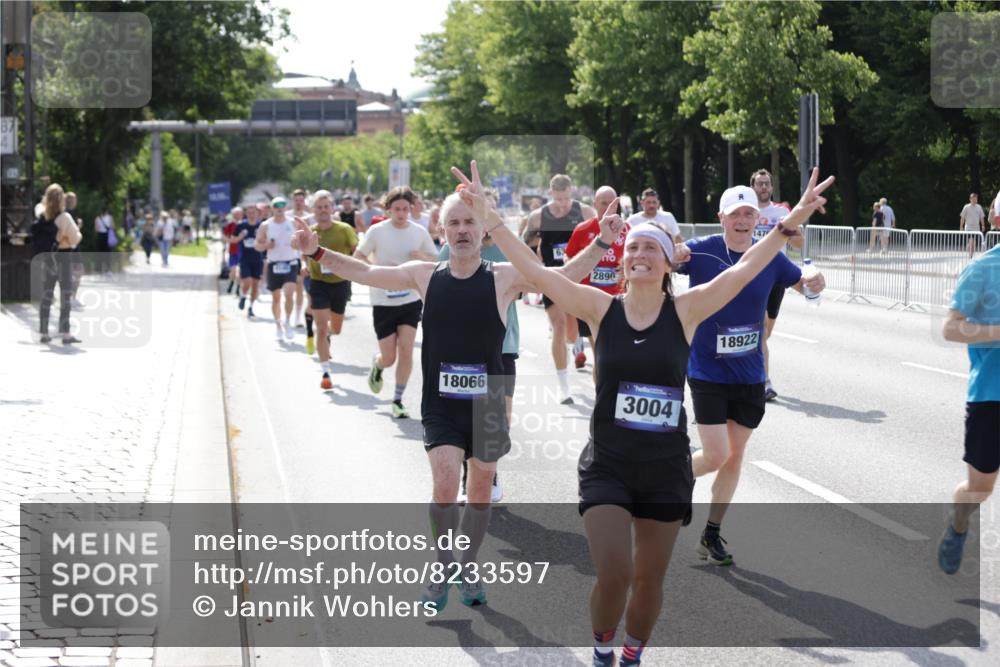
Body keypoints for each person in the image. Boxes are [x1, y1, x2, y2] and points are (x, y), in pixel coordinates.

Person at [482, 162, 834, 667]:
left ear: (669, 262)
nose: (640, 253)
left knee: (649, 580)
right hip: (609, 463)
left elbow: (743, 270)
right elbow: (537, 275)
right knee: (614, 574)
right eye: (633, 249)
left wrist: (790, 218)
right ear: (623, 265)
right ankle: (603, 648)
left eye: (652, 247)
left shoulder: (687, 310)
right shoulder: (600, 309)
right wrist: (493, 222)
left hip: (666, 468)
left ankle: (631, 655)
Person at [290, 160, 625, 613]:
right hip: (441, 403)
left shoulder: (503, 276)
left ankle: (468, 566)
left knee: (481, 489)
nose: (463, 230)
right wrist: (317, 253)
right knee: (446, 483)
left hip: (488, 402)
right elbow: (366, 274)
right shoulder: (425, 275)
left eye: (470, 221)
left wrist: (603, 240)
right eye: (453, 223)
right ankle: (442, 565)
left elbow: (560, 277)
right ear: (441, 230)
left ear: (482, 229)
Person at [677, 183, 827, 567]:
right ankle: (677, 477)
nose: (743, 221)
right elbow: (666, 259)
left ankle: (711, 533)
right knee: (714, 454)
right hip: (707, 369)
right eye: (736, 214)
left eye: (749, 214)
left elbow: (802, 283)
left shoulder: (770, 257)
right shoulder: (702, 249)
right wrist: (670, 251)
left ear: (757, 219)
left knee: (733, 456)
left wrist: (814, 280)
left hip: (749, 374)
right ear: (722, 218)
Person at [937, 241, 1000, 574]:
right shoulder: (982, 269)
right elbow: (950, 327)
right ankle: (958, 524)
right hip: (992, 394)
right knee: (980, 489)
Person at [354, 186, 438, 419]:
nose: (401, 213)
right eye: (397, 209)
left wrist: (419, 257)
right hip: (382, 299)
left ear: (411, 209)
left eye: (405, 209)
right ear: (388, 209)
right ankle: (379, 365)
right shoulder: (377, 231)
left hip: (410, 298)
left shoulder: (419, 231)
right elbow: (358, 257)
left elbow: (434, 258)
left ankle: (398, 399)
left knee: (407, 349)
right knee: (389, 357)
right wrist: (378, 269)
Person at [527, 174, 597, 404]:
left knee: (572, 334)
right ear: (551, 194)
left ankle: (576, 343)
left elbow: (600, 242)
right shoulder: (538, 217)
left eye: (566, 199)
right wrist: (535, 273)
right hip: (552, 278)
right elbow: (526, 248)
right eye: (558, 200)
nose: (563, 204)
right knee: (558, 326)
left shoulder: (584, 212)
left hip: (579, 279)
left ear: (572, 193)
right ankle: (563, 386)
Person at [750, 168, 804, 402]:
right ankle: (764, 381)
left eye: (766, 184)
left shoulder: (781, 211)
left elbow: (799, 244)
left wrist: (791, 230)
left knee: (766, 332)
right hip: (752, 274)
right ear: (753, 187)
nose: (763, 187)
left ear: (771, 188)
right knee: (761, 330)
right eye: (759, 184)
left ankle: (754, 362)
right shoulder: (746, 212)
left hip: (776, 277)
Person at [565, 186, 629, 373]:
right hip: (590, 300)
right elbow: (568, 257)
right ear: (594, 205)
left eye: (613, 204)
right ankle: (602, 398)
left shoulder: (627, 230)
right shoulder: (583, 229)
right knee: (601, 352)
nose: (609, 207)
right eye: (603, 203)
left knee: (614, 354)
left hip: (618, 301)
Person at [301, 190, 358, 390]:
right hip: (318, 282)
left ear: (333, 209)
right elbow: (304, 253)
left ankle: (326, 339)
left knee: (336, 329)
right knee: (321, 327)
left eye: (326, 206)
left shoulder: (344, 229)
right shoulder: (310, 231)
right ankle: (326, 372)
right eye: (319, 207)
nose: (323, 210)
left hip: (340, 283)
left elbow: (356, 251)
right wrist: (304, 265)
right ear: (313, 210)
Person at [32, 184, 83, 345]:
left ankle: (44, 332)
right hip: (63, 258)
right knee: (65, 295)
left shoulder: (42, 215)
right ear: (62, 200)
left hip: (48, 258)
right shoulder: (65, 218)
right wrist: (73, 233)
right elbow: (75, 239)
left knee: (46, 294)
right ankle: (65, 333)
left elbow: (38, 207)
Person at [255, 196, 300, 340]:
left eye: (282, 205)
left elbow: (301, 242)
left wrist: (298, 247)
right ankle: (278, 324)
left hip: (290, 262)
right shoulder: (266, 225)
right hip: (274, 263)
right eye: (276, 205)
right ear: (272, 208)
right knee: (276, 298)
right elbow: (257, 245)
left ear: (286, 207)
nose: (279, 208)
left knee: (288, 294)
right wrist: (266, 246)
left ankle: (287, 322)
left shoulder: (293, 222)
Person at [234, 204, 264, 318]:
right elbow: (233, 240)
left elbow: (267, 240)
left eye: (253, 212)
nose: (251, 215)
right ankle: (243, 295)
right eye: (249, 212)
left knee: (255, 285)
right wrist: (240, 237)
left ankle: (251, 307)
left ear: (257, 213)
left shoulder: (262, 226)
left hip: (258, 259)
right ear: (246, 214)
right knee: (247, 282)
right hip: (245, 259)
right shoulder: (241, 225)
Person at [290, 189, 311, 327]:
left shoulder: (310, 217)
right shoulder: (287, 217)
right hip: (292, 256)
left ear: (304, 201)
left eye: (301, 200)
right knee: (298, 286)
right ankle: (297, 316)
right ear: (293, 201)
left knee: (309, 289)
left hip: (308, 256)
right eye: (296, 200)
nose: (299, 203)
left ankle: (309, 313)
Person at [223, 207, 243, 294]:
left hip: (242, 252)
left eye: (238, 214)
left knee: (239, 270)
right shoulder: (230, 225)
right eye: (235, 214)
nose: (237, 216)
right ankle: (231, 282)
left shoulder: (244, 224)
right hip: (232, 251)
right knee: (233, 270)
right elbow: (224, 235)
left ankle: (238, 288)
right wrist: (229, 240)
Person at [960, 193, 986, 258]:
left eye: (976, 199)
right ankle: (970, 256)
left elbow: (981, 217)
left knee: (974, 244)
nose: (975, 200)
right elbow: (962, 217)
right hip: (968, 227)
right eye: (973, 199)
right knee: (971, 240)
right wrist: (961, 226)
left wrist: (983, 225)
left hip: (976, 228)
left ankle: (970, 250)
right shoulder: (966, 207)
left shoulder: (979, 207)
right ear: (970, 199)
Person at [94, 206, 114, 273]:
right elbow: (112, 226)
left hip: (100, 236)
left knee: (99, 253)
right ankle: (108, 269)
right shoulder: (110, 217)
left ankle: (99, 268)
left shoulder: (97, 218)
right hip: (107, 236)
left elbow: (96, 229)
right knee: (108, 253)